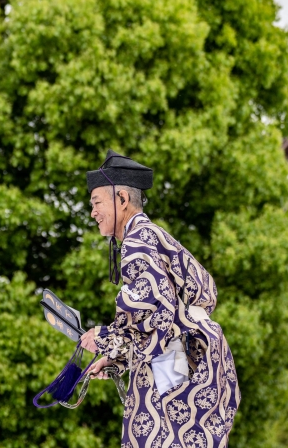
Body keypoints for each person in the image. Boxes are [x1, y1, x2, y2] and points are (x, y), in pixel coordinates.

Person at [79, 150, 240, 448]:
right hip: (185, 355)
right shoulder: (150, 234)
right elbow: (162, 316)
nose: (93, 212)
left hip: (180, 355)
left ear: (123, 200)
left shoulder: (139, 240)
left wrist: (104, 338)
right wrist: (114, 357)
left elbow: (154, 309)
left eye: (97, 203)